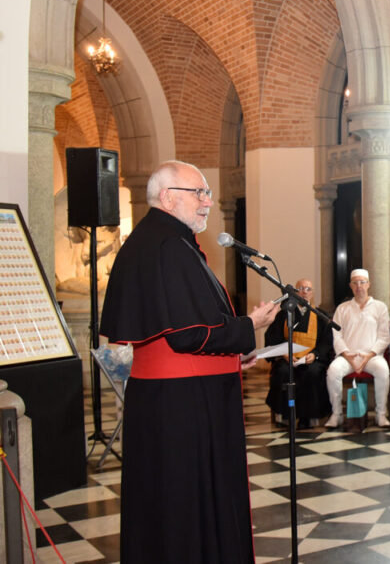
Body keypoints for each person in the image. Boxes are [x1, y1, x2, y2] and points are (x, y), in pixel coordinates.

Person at [100, 160, 280, 562]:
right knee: (185, 504)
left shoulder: (160, 241)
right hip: (183, 406)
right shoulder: (167, 246)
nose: (207, 203)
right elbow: (187, 336)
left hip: (173, 397)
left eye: (207, 194)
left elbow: (186, 330)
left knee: (170, 506)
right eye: (198, 193)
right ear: (168, 197)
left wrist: (234, 355)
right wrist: (249, 325)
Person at [325, 269, 390, 428]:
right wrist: (349, 357)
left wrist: (367, 357)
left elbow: (384, 336)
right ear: (350, 285)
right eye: (355, 283)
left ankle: (381, 414)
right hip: (348, 356)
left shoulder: (380, 307)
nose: (359, 286)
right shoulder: (342, 308)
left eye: (362, 282)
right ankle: (337, 414)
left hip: (372, 356)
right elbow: (337, 336)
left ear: (368, 284)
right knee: (333, 371)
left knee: (383, 370)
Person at [264, 278, 333, 428]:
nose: (304, 292)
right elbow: (273, 337)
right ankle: (285, 415)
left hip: (310, 359)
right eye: (301, 288)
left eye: (308, 289)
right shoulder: (284, 314)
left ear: (313, 293)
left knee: (313, 373)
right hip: (287, 358)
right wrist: (284, 354)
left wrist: (314, 355)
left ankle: (307, 417)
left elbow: (326, 342)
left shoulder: (320, 316)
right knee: (282, 371)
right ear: (295, 292)